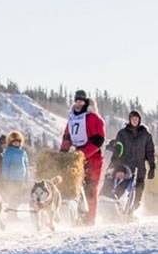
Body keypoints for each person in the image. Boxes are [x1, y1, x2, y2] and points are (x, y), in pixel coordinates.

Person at [60, 90, 106, 226]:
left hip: (92, 158)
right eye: (77, 100)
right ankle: (78, 215)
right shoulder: (72, 118)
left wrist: (83, 154)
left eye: (81, 100)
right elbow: (67, 137)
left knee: (90, 188)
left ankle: (90, 219)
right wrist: (62, 153)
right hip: (77, 158)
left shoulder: (93, 118)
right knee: (75, 187)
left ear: (86, 102)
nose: (79, 103)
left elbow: (99, 140)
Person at [110, 111, 155, 213]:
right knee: (122, 186)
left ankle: (133, 210)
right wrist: (116, 164)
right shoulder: (122, 133)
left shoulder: (145, 134)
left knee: (139, 188)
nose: (135, 120)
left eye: (137, 119)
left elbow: (150, 152)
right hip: (127, 165)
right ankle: (116, 207)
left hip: (140, 166)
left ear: (139, 120)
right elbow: (118, 149)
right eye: (133, 118)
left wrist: (152, 167)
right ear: (129, 120)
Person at [2, 131, 30, 201]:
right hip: (12, 178)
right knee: (13, 195)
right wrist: (5, 178)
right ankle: (12, 208)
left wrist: (27, 178)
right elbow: (5, 166)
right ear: (10, 142)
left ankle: (16, 209)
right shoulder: (8, 152)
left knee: (19, 196)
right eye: (14, 141)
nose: (16, 143)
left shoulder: (23, 152)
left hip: (21, 178)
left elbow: (26, 166)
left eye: (18, 141)